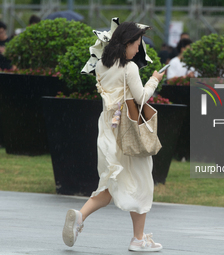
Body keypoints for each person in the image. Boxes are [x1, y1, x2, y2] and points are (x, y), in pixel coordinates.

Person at [62, 22, 165, 252]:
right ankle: (138, 240)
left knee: (109, 183)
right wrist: (155, 79)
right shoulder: (129, 68)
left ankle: (80, 216)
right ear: (126, 43)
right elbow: (141, 98)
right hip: (128, 132)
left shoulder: (101, 65)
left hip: (108, 130)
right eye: (137, 45)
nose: (138, 50)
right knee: (142, 182)